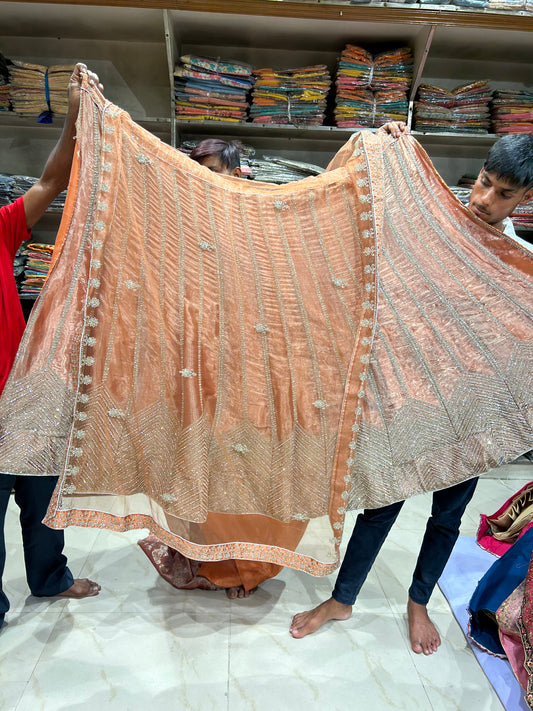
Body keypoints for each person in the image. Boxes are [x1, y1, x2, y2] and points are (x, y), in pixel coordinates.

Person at [289, 125, 533, 653]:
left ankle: (418, 602)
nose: (485, 201)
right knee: (381, 503)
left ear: (527, 197)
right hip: (411, 394)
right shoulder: (438, 224)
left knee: (447, 515)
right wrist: (390, 144)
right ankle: (343, 597)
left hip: (473, 410)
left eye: (504, 194)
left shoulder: (517, 262)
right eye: (484, 183)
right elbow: (385, 222)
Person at [139, 137, 284, 600]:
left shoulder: (263, 224)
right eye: (198, 173)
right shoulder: (184, 226)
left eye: (215, 172)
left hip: (247, 370)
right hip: (195, 366)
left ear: (239, 176)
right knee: (196, 463)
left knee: (243, 466)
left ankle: (246, 568)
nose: (206, 183)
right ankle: (203, 560)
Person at [0, 63, 103, 629]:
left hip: (25, 396)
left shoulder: (2, 227)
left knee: (43, 501)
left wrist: (72, 119)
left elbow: (48, 184)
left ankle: (50, 580)